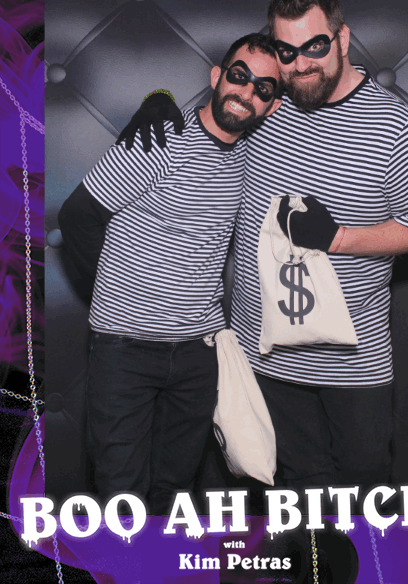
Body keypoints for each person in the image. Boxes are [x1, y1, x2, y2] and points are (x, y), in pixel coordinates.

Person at [118, 0, 408, 493]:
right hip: (263, 355)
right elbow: (213, 114)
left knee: (362, 490)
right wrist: (158, 100)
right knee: (295, 496)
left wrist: (339, 239)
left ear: (342, 38)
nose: (301, 64)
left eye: (315, 46)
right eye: (287, 51)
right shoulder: (268, 106)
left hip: (352, 361)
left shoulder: (397, 127)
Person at [57, 33, 282, 514]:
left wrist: (157, 95)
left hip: (199, 354)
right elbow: (77, 216)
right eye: (239, 75)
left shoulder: (251, 156)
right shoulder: (159, 140)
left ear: (272, 105)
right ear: (217, 76)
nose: (247, 92)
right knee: (121, 498)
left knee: (174, 497)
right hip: (126, 350)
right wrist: (119, 292)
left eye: (263, 88)